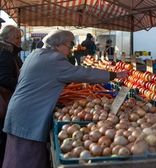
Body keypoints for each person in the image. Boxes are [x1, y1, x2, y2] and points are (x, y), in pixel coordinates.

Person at [2, 29, 128, 168]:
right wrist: (113, 75)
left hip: (18, 111)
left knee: (14, 156)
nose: (70, 51)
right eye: (69, 46)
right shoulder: (54, 59)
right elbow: (83, 74)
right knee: (26, 159)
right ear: (58, 45)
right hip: (30, 116)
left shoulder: (36, 54)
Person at [0, 25, 22, 167]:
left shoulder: (11, 53)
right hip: (5, 102)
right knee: (3, 137)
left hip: (9, 102)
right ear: (7, 38)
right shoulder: (5, 54)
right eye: (17, 37)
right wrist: (23, 86)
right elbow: (3, 78)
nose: (20, 40)